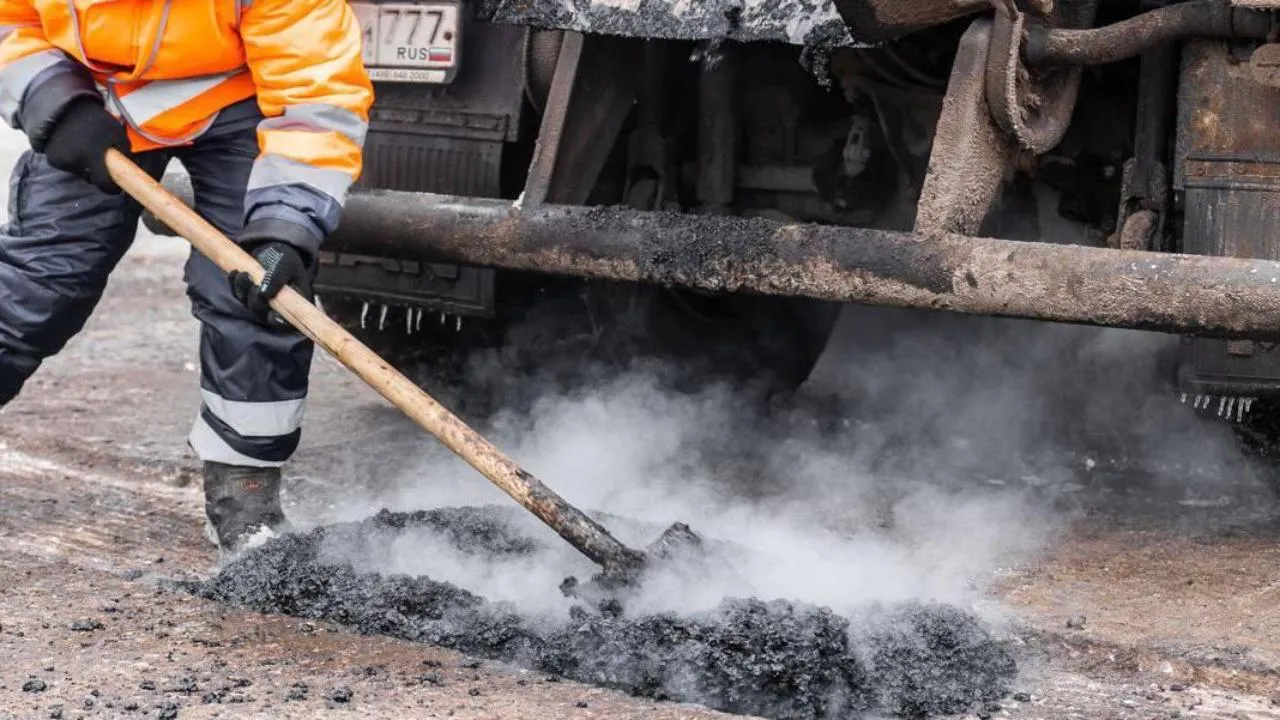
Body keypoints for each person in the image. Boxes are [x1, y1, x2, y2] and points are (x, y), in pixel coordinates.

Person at [0, 0, 374, 554]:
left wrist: (284, 226)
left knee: (256, 293)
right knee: (38, 280)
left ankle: (245, 497)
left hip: (241, 100)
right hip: (86, 96)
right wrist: (48, 95)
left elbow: (314, 94)